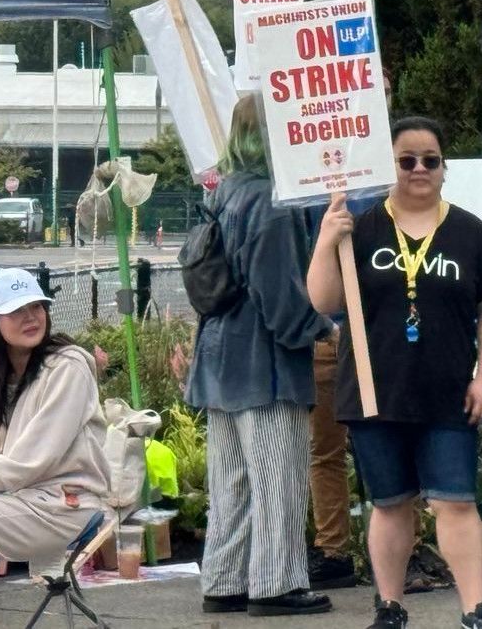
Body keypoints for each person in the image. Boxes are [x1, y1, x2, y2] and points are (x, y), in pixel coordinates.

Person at [308, 116, 482, 629]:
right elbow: (323, 300)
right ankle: (390, 606)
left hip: (448, 390)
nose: (418, 169)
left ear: (444, 168)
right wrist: (326, 238)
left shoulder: (471, 231)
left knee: (455, 503)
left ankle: (476, 609)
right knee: (390, 504)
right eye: (406, 160)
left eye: (430, 160)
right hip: (374, 388)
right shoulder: (358, 229)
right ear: (388, 166)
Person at [185, 95, 332, 617]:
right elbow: (282, 298)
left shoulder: (222, 192)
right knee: (276, 478)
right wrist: (321, 329)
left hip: (217, 357)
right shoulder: (272, 201)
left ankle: (224, 580)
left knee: (231, 484)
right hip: (262, 363)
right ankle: (276, 583)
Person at [0, 268, 109, 629]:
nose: (30, 317)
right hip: (15, 503)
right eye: (16, 310)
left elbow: (41, 450)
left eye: (36, 306)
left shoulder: (68, 366)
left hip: (65, 504)